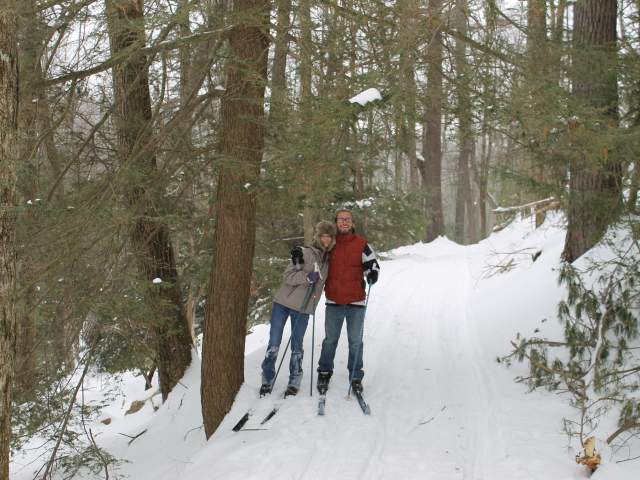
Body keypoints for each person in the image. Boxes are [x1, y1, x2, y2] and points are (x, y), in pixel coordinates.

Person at [260, 221, 336, 397]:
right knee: (274, 343)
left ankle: (295, 379)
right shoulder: (304, 252)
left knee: (297, 345)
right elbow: (288, 276)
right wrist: (307, 277)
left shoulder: (329, 260)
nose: (326, 239)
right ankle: (267, 377)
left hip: (304, 308)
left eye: (329, 236)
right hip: (283, 304)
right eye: (323, 235)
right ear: (318, 237)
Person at [315, 208, 379, 395]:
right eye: (341, 219)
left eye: (348, 219)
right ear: (336, 222)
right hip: (334, 301)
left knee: (356, 342)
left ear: (352, 223)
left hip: (356, 302)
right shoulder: (329, 244)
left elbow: (372, 264)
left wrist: (372, 273)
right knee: (330, 340)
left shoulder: (362, 244)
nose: (344, 222)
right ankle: (325, 371)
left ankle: (355, 376)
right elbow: (313, 254)